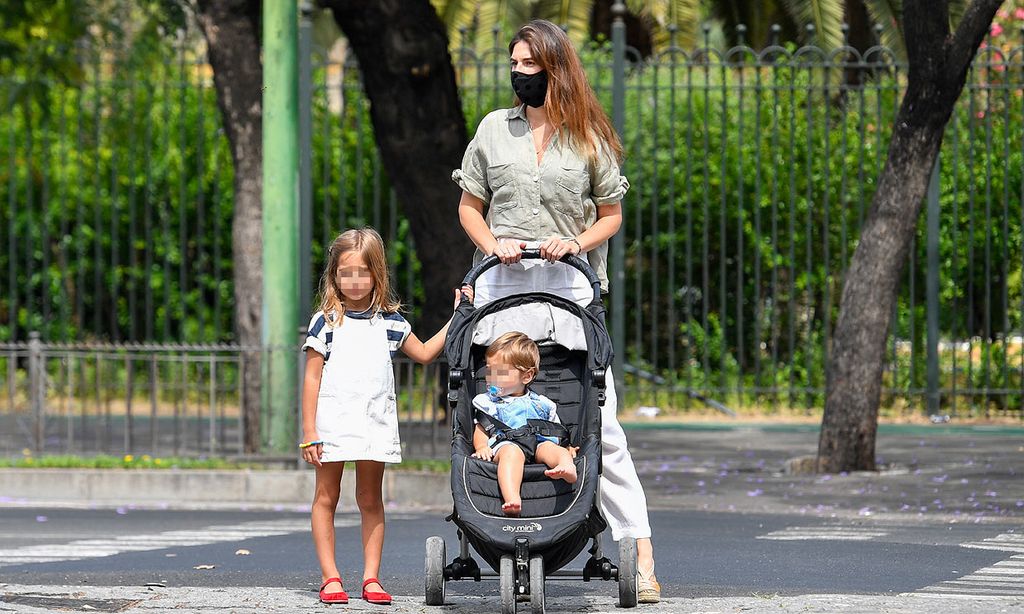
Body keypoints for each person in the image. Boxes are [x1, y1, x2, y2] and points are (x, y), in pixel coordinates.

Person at [452, 19, 661, 603]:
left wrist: (578, 242)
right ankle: (498, 521)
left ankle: (641, 556)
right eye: (513, 64)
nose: (517, 73)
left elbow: (611, 214)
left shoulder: (588, 135)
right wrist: (493, 244)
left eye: (527, 65)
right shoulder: (494, 129)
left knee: (603, 426)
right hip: (502, 290)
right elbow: (470, 207)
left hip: (570, 290)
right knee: (490, 410)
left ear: (554, 68)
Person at [299, 227, 471, 605]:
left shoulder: (391, 322)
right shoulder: (324, 321)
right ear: (334, 275)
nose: (354, 281)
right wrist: (309, 431)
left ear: (377, 274)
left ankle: (371, 578)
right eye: (346, 272)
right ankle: (330, 577)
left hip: (374, 420)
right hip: (332, 423)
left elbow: (425, 353)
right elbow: (312, 377)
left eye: (363, 272)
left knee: (370, 498)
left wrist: (459, 316)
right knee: (326, 496)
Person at [471, 332, 578, 516]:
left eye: (500, 372)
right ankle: (512, 498)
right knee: (511, 454)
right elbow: (481, 427)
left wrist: (566, 448)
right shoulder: (488, 402)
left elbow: (554, 428)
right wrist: (481, 446)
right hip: (506, 444)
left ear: (527, 376)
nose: (491, 377)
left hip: (537, 444)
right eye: (489, 370)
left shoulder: (542, 403)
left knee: (553, 449)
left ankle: (566, 467)